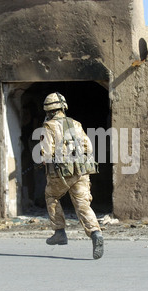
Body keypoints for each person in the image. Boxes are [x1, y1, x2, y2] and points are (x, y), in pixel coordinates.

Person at [39, 92, 104, 260]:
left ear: (49, 111)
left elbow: (46, 154)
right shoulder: (76, 124)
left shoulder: (49, 126)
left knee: (51, 195)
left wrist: (44, 161)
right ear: (63, 108)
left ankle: (59, 231)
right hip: (82, 171)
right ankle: (96, 233)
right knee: (83, 205)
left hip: (61, 173)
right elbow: (88, 147)